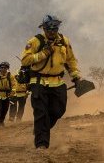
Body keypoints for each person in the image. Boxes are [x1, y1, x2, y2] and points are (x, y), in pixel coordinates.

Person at [20, 14, 82, 149]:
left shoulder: (64, 41)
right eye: (49, 29)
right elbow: (25, 60)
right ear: (44, 28)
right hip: (38, 81)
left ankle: (40, 129)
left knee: (58, 110)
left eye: (55, 29)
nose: (52, 31)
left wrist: (75, 76)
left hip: (58, 82)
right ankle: (41, 144)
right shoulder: (35, 41)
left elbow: (71, 60)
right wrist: (43, 54)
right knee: (41, 112)